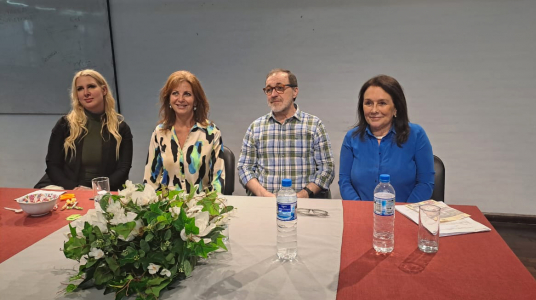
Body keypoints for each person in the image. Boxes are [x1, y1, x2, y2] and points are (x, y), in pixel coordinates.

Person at [237, 68, 335, 198]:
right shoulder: (255, 128)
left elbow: (326, 169)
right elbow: (244, 168)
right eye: (269, 90)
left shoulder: (314, 125)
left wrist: (301, 196)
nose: (273, 94)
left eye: (280, 88)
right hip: (264, 203)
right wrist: (265, 195)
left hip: (305, 204)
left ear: (295, 91)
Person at [339, 75, 435, 203]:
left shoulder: (417, 135)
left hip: (405, 215)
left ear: (396, 108)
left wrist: (403, 213)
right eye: (368, 103)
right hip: (362, 214)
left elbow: (425, 183)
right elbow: (345, 182)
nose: (374, 110)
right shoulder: (351, 138)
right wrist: (362, 210)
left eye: (382, 103)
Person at [35, 69, 133, 191]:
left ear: (104, 90)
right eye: (80, 89)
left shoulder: (121, 128)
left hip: (104, 190)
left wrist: (96, 190)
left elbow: (123, 169)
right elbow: (52, 165)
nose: (86, 93)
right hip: (65, 187)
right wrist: (75, 188)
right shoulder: (64, 124)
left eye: (91, 86)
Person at [143, 71, 225, 194]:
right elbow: (150, 181)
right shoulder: (159, 133)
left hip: (201, 207)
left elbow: (218, 182)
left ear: (196, 100)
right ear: (169, 99)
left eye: (187, 94)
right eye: (175, 93)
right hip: (167, 208)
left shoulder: (212, 133)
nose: (180, 99)